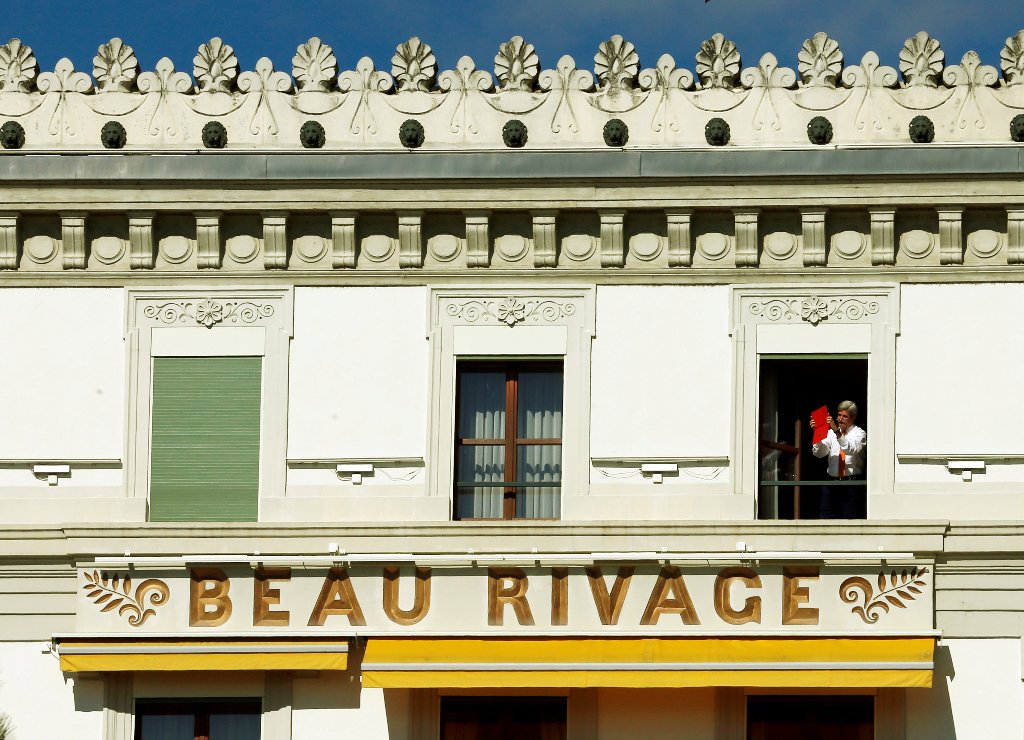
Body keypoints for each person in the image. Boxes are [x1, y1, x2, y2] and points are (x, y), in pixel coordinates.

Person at [809, 400, 866, 519]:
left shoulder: (859, 433)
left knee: (849, 522)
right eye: (839, 415)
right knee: (826, 520)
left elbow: (851, 449)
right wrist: (818, 432)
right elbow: (819, 453)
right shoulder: (830, 433)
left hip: (851, 485)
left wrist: (837, 432)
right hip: (831, 483)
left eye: (845, 416)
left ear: (853, 418)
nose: (840, 419)